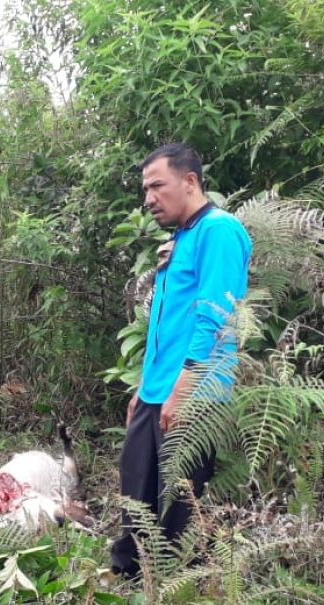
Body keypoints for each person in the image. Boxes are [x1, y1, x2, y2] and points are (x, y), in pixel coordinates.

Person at [111, 143, 252, 575]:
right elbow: (166, 324)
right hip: (159, 386)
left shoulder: (219, 232)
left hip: (193, 392)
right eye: (145, 189)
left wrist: (184, 391)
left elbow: (216, 318)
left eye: (157, 186)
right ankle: (129, 576)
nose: (149, 198)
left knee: (178, 503)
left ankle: (174, 594)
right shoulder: (182, 237)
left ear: (189, 181)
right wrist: (144, 388)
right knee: (137, 487)